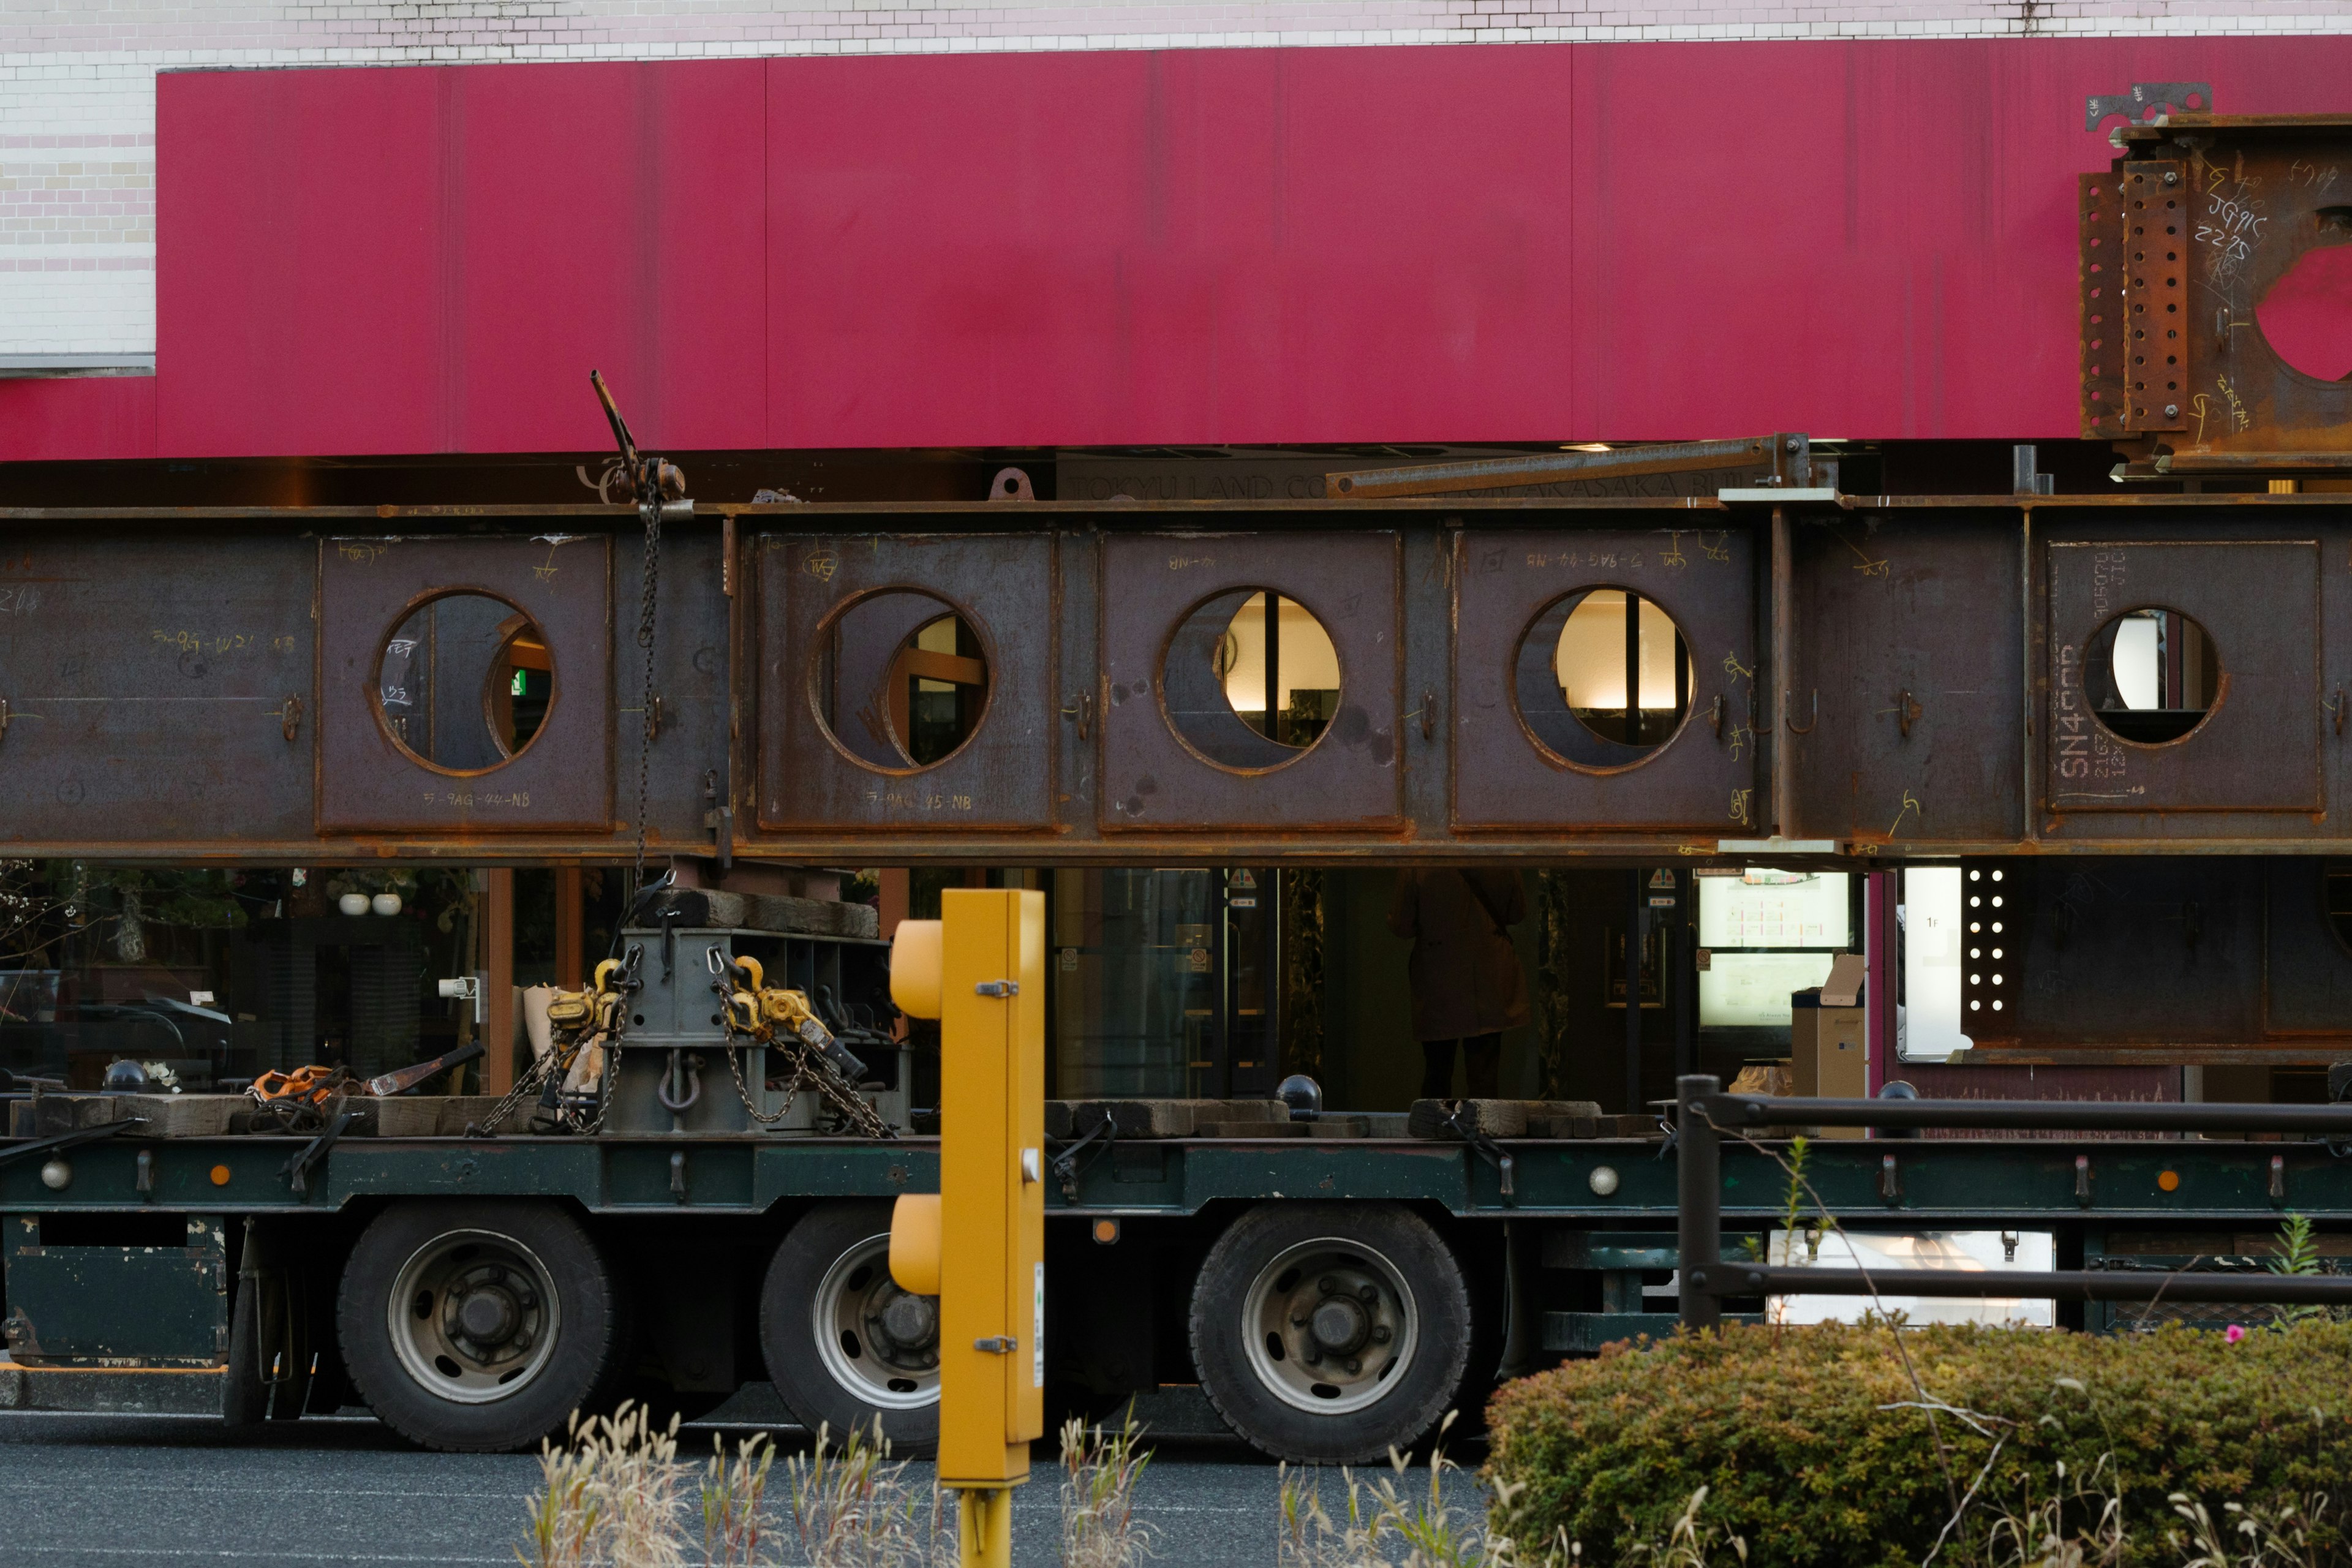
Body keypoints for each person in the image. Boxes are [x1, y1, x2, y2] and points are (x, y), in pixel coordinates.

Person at [1386, 869, 1531, 1100]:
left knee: (1437, 1075)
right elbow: (1517, 913)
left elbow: (1402, 926)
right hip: (1490, 974)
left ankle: (1435, 1130)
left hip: (1439, 976)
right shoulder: (1501, 856)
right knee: (1484, 1077)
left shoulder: (1420, 864)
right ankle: (1482, 1133)